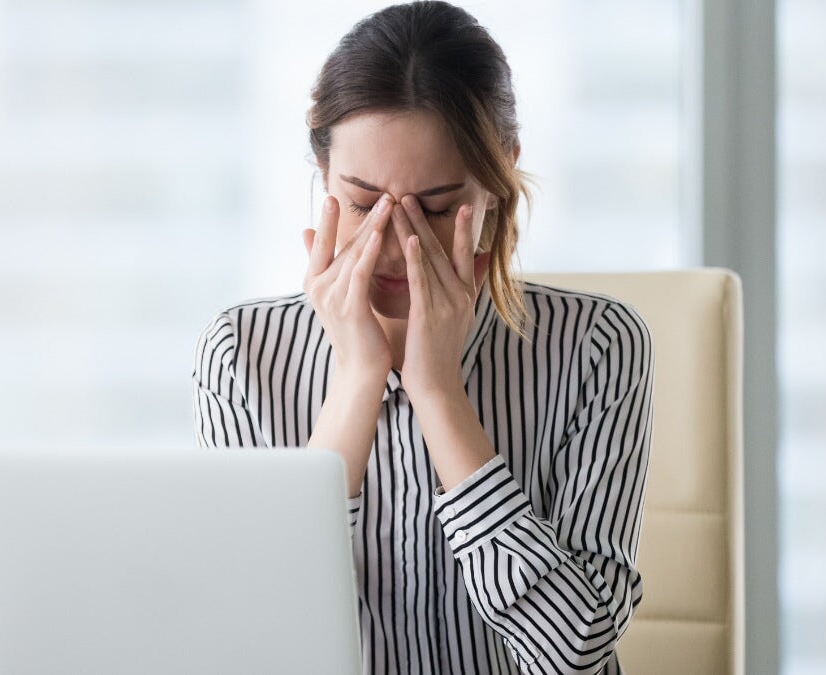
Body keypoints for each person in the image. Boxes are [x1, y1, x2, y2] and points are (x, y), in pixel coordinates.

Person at [192, 2, 654, 673]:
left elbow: (574, 653)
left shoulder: (597, 348)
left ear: (497, 181)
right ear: (323, 175)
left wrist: (439, 393)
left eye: (436, 209)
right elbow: (253, 640)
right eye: (360, 202)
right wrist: (355, 383)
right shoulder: (241, 354)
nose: (396, 242)